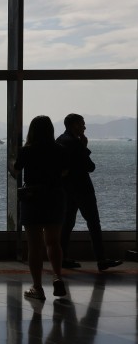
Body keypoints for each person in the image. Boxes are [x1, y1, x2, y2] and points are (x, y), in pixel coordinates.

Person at [11, 115, 68, 300]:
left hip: (33, 197)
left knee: (34, 245)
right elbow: (65, 171)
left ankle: (37, 287)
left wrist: (11, 163)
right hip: (55, 196)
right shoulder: (60, 150)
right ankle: (58, 276)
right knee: (53, 241)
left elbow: (16, 170)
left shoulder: (27, 150)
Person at [57, 114, 122, 272]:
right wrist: (84, 147)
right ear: (74, 125)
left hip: (66, 189)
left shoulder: (59, 140)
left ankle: (62, 258)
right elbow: (90, 167)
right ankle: (101, 259)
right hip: (83, 189)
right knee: (93, 223)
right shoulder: (76, 143)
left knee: (67, 223)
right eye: (82, 124)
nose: (84, 127)